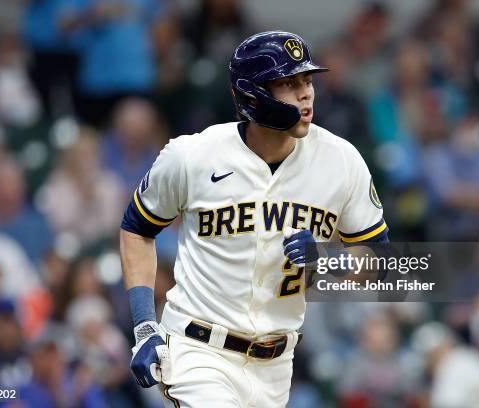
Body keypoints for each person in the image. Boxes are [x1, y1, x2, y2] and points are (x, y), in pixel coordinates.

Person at [119, 31, 389, 407]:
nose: (305, 93)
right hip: (198, 351)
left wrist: (331, 261)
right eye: (288, 83)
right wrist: (146, 324)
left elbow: (380, 262)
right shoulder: (193, 155)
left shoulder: (341, 161)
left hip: (277, 366)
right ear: (251, 94)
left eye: (307, 81)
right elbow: (136, 229)